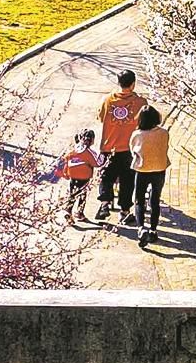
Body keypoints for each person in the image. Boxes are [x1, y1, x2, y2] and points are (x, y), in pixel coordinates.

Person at [95, 70, 146, 223]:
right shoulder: (140, 103)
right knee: (127, 180)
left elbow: (100, 117)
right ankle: (124, 211)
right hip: (129, 148)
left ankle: (104, 204)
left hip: (108, 147)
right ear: (133, 84)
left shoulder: (108, 100)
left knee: (106, 177)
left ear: (118, 83)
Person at [130, 105, 171, 248]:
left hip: (142, 169)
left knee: (139, 200)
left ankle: (141, 228)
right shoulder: (164, 133)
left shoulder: (137, 134)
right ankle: (153, 230)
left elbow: (133, 151)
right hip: (159, 169)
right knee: (155, 200)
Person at [54, 129, 99, 224]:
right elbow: (97, 163)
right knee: (82, 195)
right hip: (85, 178)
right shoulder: (89, 152)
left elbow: (65, 160)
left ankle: (68, 210)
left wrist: (65, 173)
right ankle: (79, 212)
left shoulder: (72, 150)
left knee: (72, 194)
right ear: (92, 140)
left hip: (73, 177)